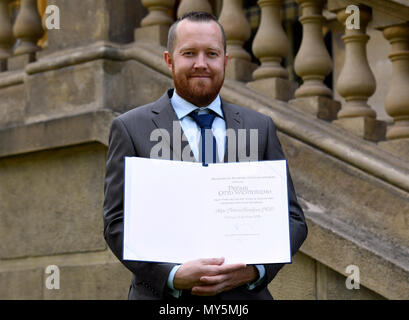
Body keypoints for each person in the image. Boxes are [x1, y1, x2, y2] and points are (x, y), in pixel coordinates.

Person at [103, 11, 307, 300]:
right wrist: (172, 275)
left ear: (225, 61)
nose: (201, 63)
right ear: (169, 60)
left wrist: (254, 270)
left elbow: (293, 219)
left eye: (211, 53)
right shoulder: (130, 128)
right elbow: (116, 223)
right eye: (189, 53)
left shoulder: (259, 128)